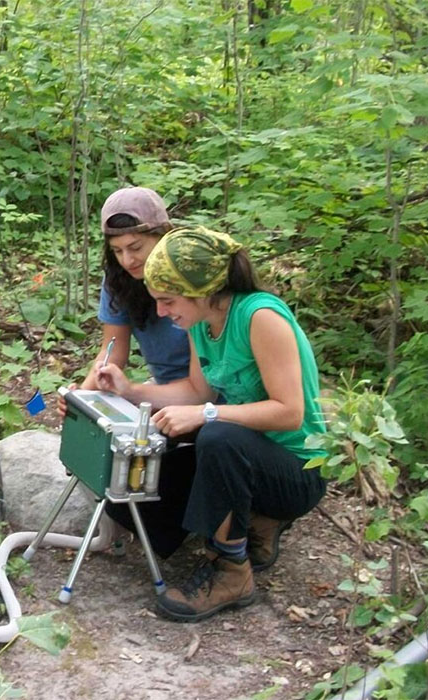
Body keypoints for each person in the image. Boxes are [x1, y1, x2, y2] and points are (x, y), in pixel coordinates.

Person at [92, 227, 328, 622]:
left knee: (217, 435)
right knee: (132, 502)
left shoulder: (260, 316)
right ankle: (255, 521)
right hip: (247, 453)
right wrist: (129, 389)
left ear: (202, 291)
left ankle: (232, 569)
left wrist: (208, 415)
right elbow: (196, 392)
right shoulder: (201, 323)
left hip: (297, 469)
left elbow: (290, 412)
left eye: (168, 301)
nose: (163, 313)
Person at [57, 186, 196, 560]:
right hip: (163, 391)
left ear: (162, 236)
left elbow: (204, 387)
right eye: (117, 251)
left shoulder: (193, 276)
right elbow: (111, 353)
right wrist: (82, 400)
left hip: (201, 396)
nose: (128, 260)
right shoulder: (119, 282)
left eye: (136, 247)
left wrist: (133, 391)